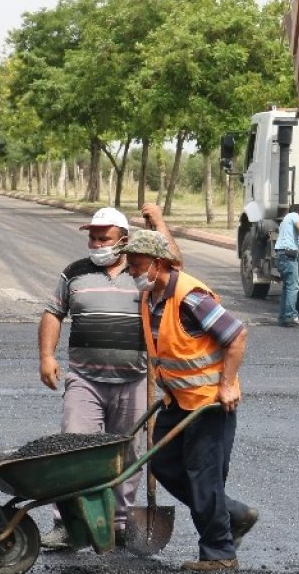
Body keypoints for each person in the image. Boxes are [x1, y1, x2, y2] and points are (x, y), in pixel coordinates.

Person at [37, 204, 181, 550]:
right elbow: (53, 313)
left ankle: (117, 523)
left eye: (105, 238)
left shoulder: (143, 273)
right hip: (84, 379)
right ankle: (67, 524)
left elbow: (175, 265)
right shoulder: (74, 273)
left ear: (124, 240)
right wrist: (46, 356)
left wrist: (159, 222)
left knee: (127, 453)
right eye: (93, 238)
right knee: (72, 450)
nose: (97, 244)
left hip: (134, 379)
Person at [120, 230, 258, 572]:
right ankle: (234, 514)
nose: (131, 272)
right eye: (130, 266)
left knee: (203, 476)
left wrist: (227, 384)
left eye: (136, 265)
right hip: (177, 400)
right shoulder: (149, 297)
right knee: (163, 462)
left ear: (158, 263)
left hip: (209, 403)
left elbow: (237, 334)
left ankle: (219, 555)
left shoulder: (190, 298)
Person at [274, 204, 299, 327]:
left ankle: (283, 317)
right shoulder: (294, 215)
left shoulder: (285, 221)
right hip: (288, 258)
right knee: (293, 287)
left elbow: (289, 243)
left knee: (287, 288)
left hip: (282, 255)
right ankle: (291, 316)